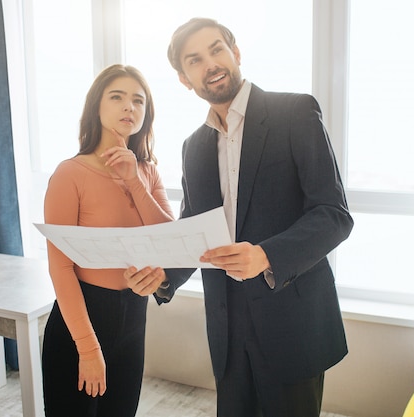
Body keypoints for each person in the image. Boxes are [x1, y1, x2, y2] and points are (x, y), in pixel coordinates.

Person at [125, 17, 354, 417]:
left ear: (236, 53)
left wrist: (266, 255)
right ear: (184, 78)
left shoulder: (296, 112)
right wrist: (162, 276)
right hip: (227, 333)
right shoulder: (193, 147)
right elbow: (195, 230)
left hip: (291, 325)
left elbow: (333, 215)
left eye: (217, 49)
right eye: (194, 60)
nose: (210, 64)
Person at [42, 64, 174, 417]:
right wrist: (87, 348)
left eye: (138, 100)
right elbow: (61, 267)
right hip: (82, 319)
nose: (129, 107)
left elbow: (170, 242)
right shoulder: (70, 173)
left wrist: (134, 180)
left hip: (134, 319)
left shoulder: (147, 172)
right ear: (96, 107)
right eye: (117, 97)